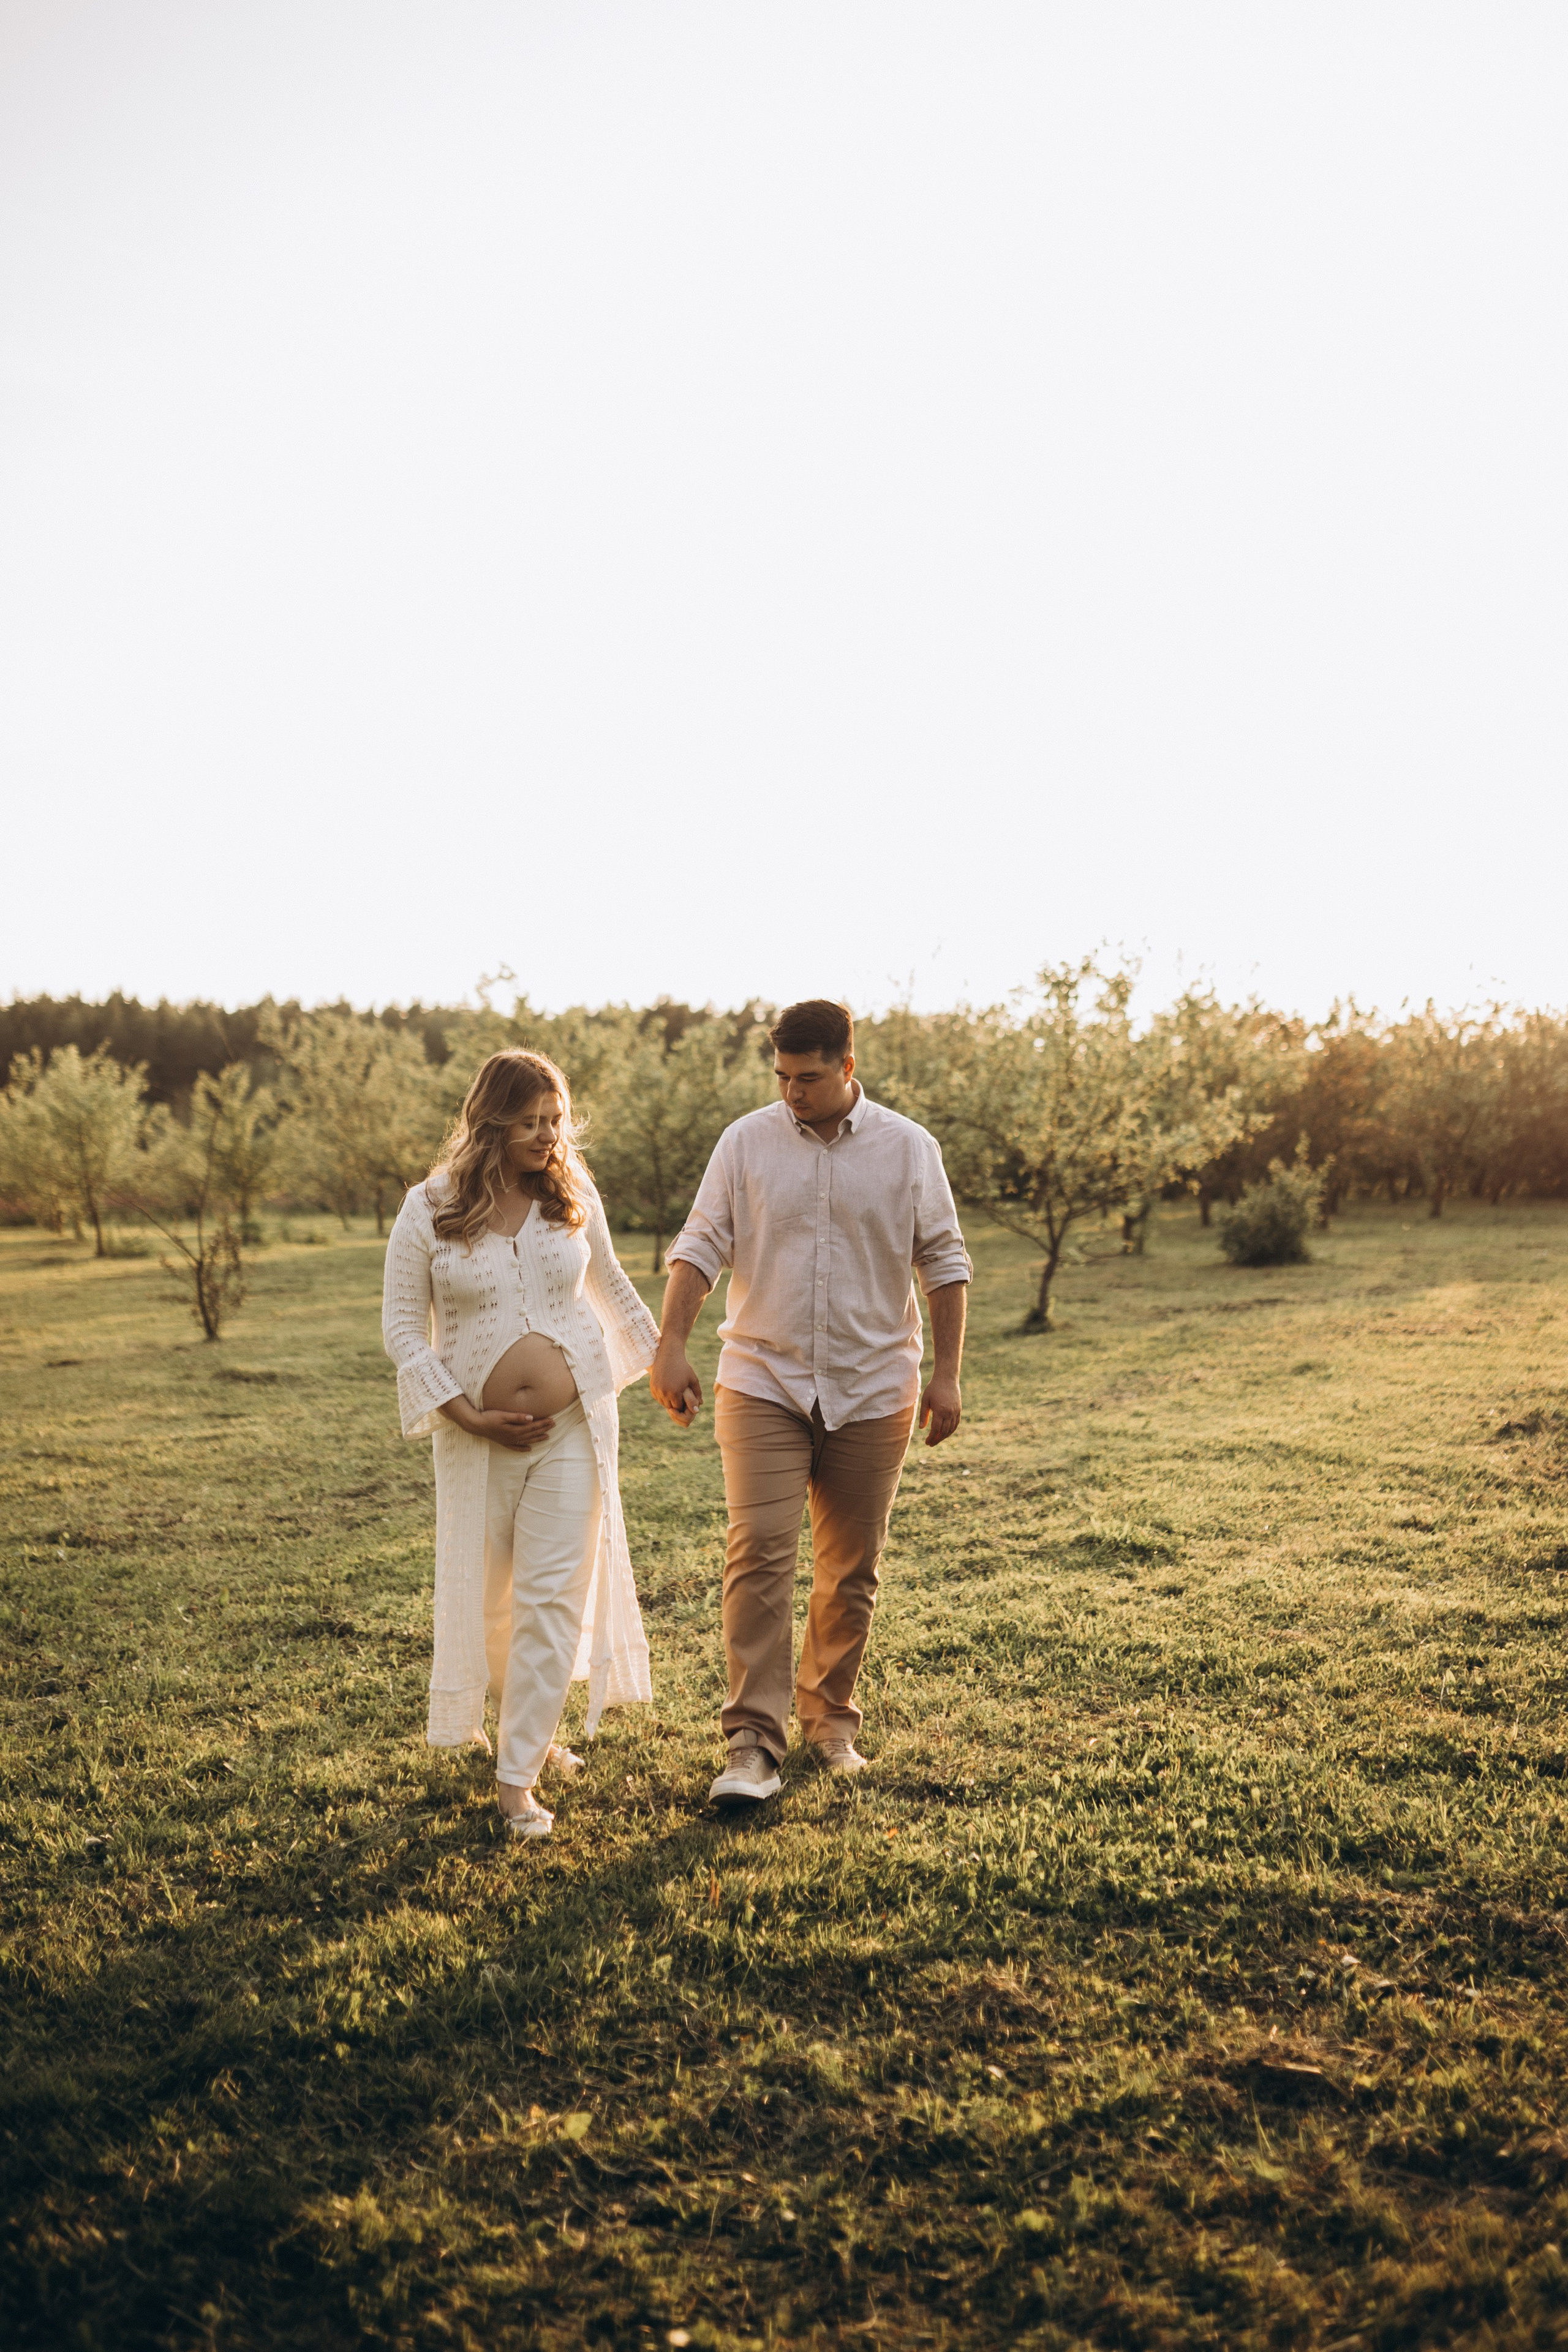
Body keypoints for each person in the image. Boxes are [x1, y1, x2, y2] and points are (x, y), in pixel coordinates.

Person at [650, 998, 971, 1803]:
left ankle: (831, 1723)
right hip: (764, 1378)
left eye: (810, 1078)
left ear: (848, 1068)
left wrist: (948, 1373)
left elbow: (944, 1260)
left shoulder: (908, 1149)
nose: (793, 1093)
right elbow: (699, 1245)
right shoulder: (745, 1143)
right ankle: (752, 1743)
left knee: (849, 1569)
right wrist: (671, 1344)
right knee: (758, 1551)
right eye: (782, 1078)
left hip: (874, 1386)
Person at [382, 1049, 660, 1839]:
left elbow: (610, 1284)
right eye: (531, 1123)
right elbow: (402, 1325)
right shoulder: (428, 1207)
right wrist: (461, 1412)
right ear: (492, 1123)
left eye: (556, 1121)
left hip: (573, 1428)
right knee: (495, 1603)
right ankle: (522, 1731)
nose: (548, 1136)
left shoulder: (571, 1196)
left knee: (551, 1600)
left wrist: (661, 1356)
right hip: (477, 1442)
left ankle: (516, 1780)